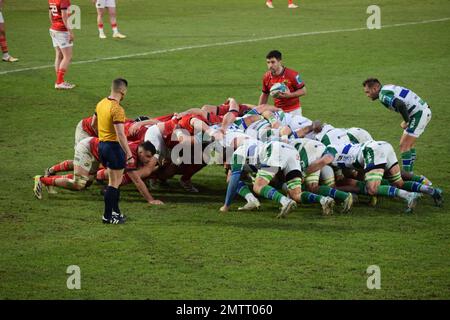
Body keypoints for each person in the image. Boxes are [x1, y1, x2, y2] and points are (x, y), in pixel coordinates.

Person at [363, 78, 432, 179]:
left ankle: (408, 178)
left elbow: (400, 104)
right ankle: (411, 174)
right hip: (422, 111)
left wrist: (406, 121)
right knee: (409, 145)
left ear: (375, 88)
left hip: (418, 114)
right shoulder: (387, 87)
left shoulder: (383, 95)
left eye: (368, 92)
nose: (367, 95)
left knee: (404, 146)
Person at [96, 78, 134, 224]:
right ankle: (107, 216)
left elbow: (94, 123)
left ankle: (115, 211)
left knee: (115, 182)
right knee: (114, 183)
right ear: (122, 91)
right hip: (114, 147)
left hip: (102, 146)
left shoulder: (101, 103)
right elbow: (120, 134)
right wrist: (129, 155)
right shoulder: (117, 108)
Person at [259, 50, 306, 116]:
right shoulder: (266, 77)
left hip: (294, 111)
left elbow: (303, 91)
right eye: (268, 62)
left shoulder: (292, 74)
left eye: (273, 62)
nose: (270, 65)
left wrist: (289, 95)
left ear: (279, 62)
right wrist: (259, 110)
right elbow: (265, 94)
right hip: (278, 111)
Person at [48, 0, 75, 89]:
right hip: (62, 31)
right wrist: (70, 32)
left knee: (59, 55)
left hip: (54, 29)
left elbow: (50, 13)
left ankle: (60, 81)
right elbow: (64, 16)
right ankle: (59, 82)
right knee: (67, 56)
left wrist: (54, 25)